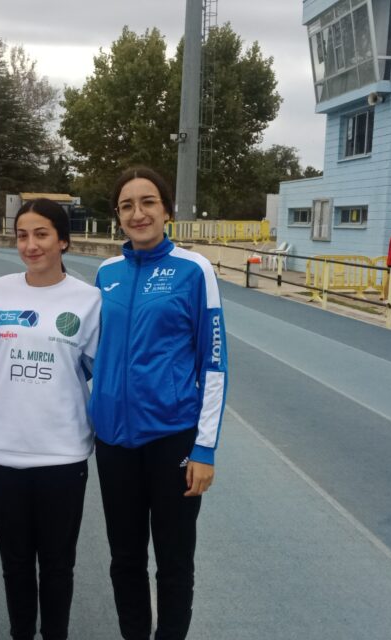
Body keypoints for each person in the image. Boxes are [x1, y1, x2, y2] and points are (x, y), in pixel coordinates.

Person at [89, 167, 228, 640]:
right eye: (127, 205)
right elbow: (93, 354)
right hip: (113, 443)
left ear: (166, 210)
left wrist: (205, 449)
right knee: (124, 559)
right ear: (118, 217)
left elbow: (214, 363)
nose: (138, 213)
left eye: (148, 202)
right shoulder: (106, 273)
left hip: (173, 440)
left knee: (173, 561)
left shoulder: (194, 270)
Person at [0, 198, 102, 640]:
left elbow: (98, 373)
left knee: (57, 564)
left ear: (63, 240)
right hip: (4, 452)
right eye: (22, 235)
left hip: (63, 454)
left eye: (42, 234)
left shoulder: (89, 301)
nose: (31, 245)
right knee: (14, 564)